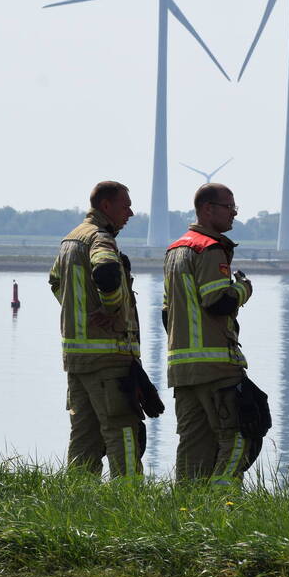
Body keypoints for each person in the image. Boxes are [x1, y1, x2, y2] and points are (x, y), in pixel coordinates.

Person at [49, 180, 145, 478]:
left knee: (85, 435)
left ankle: (79, 497)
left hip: (77, 358)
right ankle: (129, 498)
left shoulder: (70, 239)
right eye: (125, 205)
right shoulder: (100, 238)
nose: (130, 213)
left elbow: (55, 282)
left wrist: (81, 314)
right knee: (123, 429)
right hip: (108, 357)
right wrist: (110, 308)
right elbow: (106, 270)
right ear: (106, 206)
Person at [163, 183, 255, 484]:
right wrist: (243, 289)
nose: (234, 214)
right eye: (229, 207)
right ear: (207, 209)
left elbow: (167, 312)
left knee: (193, 442)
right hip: (216, 366)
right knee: (241, 434)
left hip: (182, 368)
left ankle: (187, 504)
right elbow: (218, 302)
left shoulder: (175, 250)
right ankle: (223, 500)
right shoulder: (210, 248)